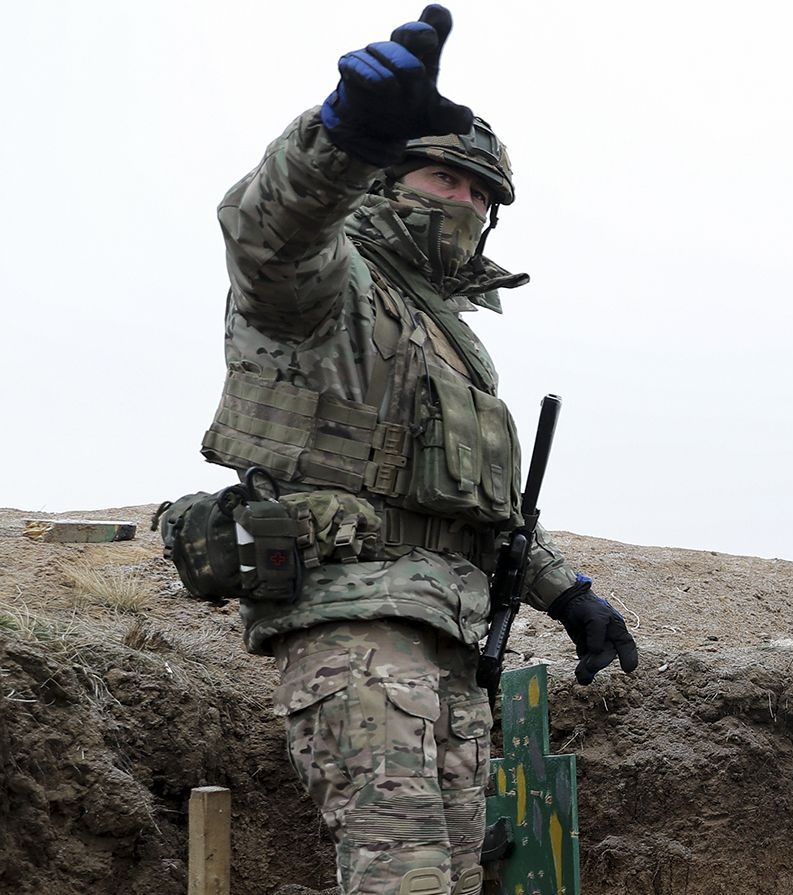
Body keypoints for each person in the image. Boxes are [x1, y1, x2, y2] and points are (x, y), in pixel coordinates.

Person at [202, 6, 637, 893]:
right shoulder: (333, 288)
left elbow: (480, 510)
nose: (466, 204)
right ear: (391, 177)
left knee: (450, 877)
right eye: (446, 177)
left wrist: (572, 596)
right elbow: (267, 234)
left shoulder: (453, 341)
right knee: (400, 876)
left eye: (483, 195)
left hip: (450, 643)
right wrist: (342, 137)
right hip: (357, 631)